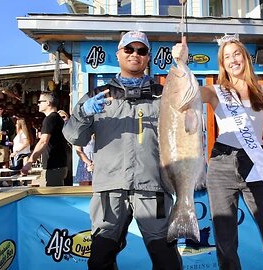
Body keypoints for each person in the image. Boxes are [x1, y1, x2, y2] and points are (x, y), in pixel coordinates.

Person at [172, 34, 263, 269]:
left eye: (236, 54)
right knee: (225, 240)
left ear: (245, 57)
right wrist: (181, 62)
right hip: (221, 162)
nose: (232, 60)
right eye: (226, 57)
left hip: (254, 163)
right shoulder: (215, 91)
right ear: (222, 64)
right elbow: (185, 97)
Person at [62, 30, 182, 270]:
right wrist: (83, 113)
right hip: (110, 191)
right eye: (128, 49)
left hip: (153, 189)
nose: (135, 54)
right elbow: (74, 137)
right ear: (118, 54)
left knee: (167, 261)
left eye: (141, 50)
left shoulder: (164, 95)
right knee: (100, 260)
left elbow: (182, 138)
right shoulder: (98, 95)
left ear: (148, 57)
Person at [21, 91, 69, 186]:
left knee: (50, 198)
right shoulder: (57, 118)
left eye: (40, 101)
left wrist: (30, 162)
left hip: (53, 167)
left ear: (48, 103)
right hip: (59, 166)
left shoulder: (50, 119)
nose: (38, 104)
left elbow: (43, 142)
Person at [58, 109, 74, 186]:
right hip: (60, 153)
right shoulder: (56, 128)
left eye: (63, 117)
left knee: (69, 171)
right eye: (59, 118)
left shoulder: (71, 128)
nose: (62, 119)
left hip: (69, 151)